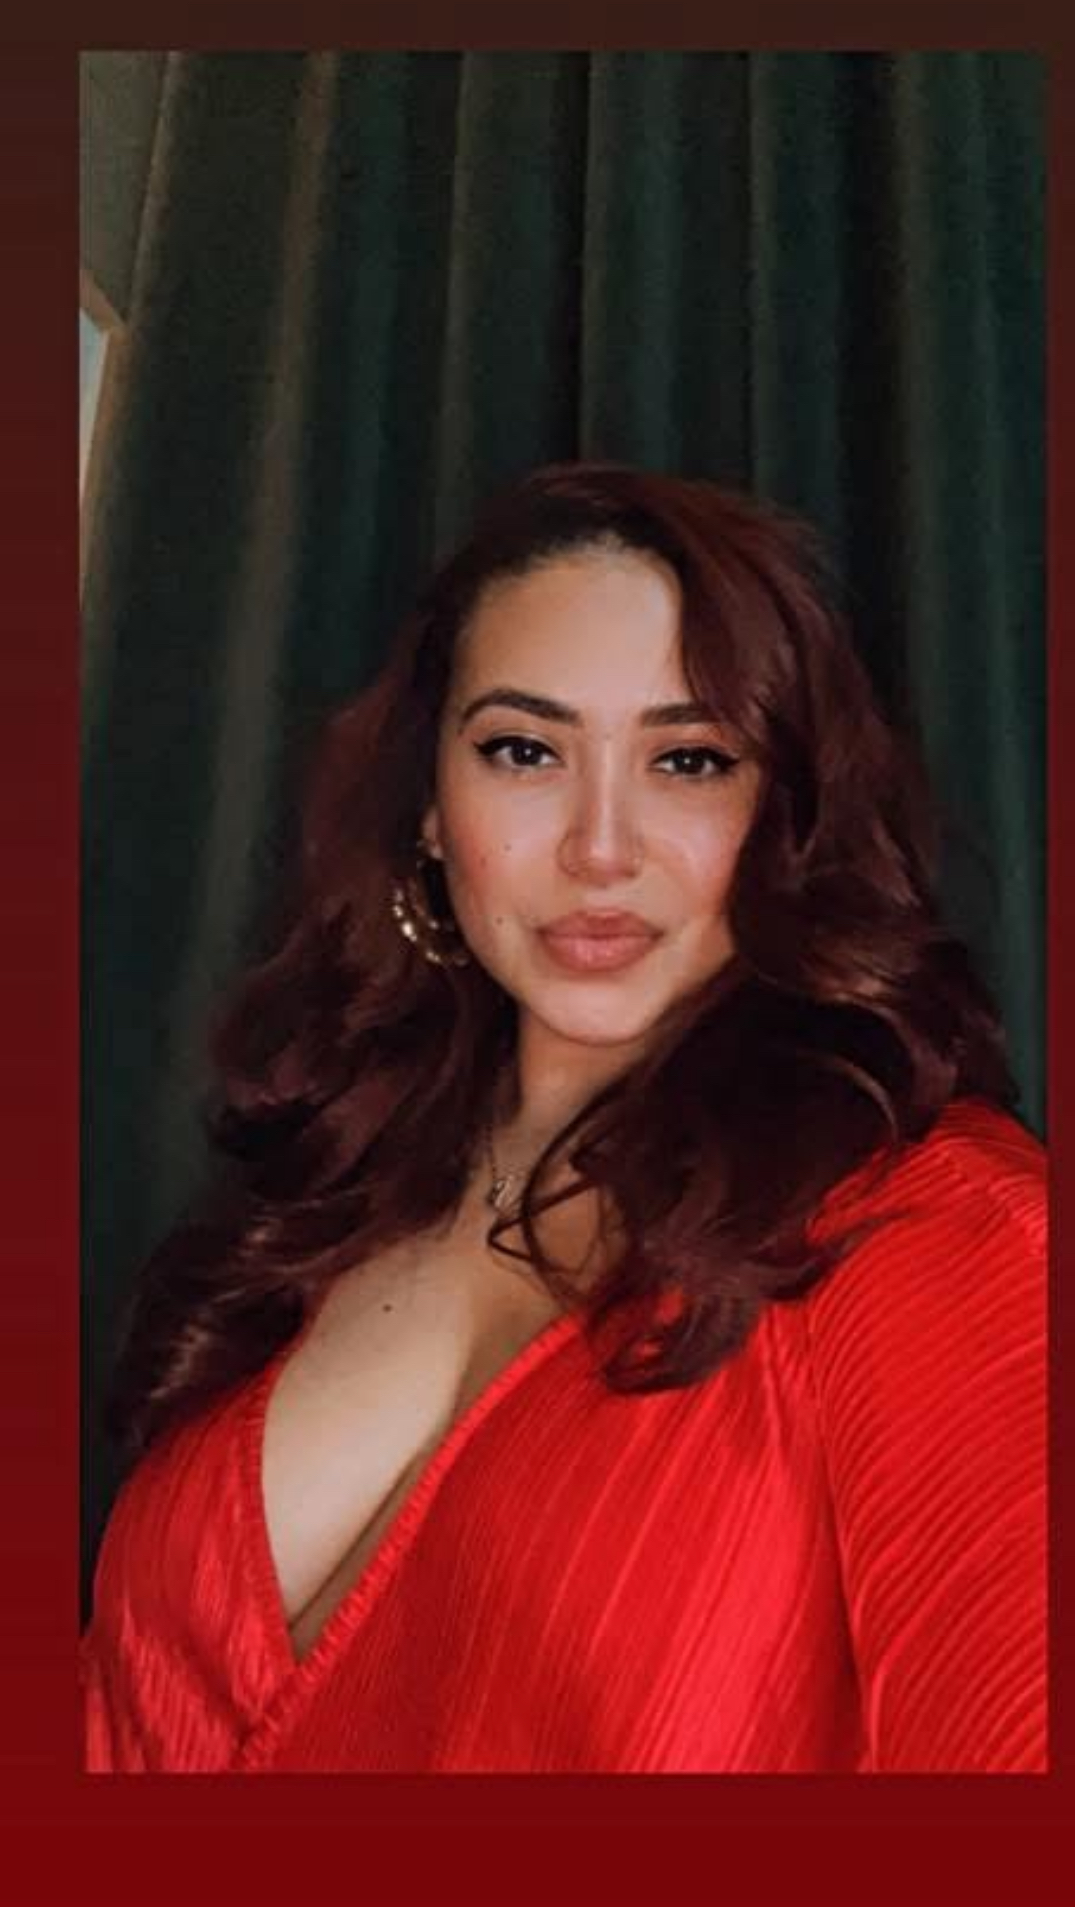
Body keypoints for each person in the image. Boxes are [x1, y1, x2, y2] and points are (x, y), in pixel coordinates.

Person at [81, 462, 1046, 1774]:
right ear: (430, 809)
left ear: (783, 813)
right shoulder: (334, 1197)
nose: (601, 847)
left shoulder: (938, 1233)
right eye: (525, 751)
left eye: (689, 760)